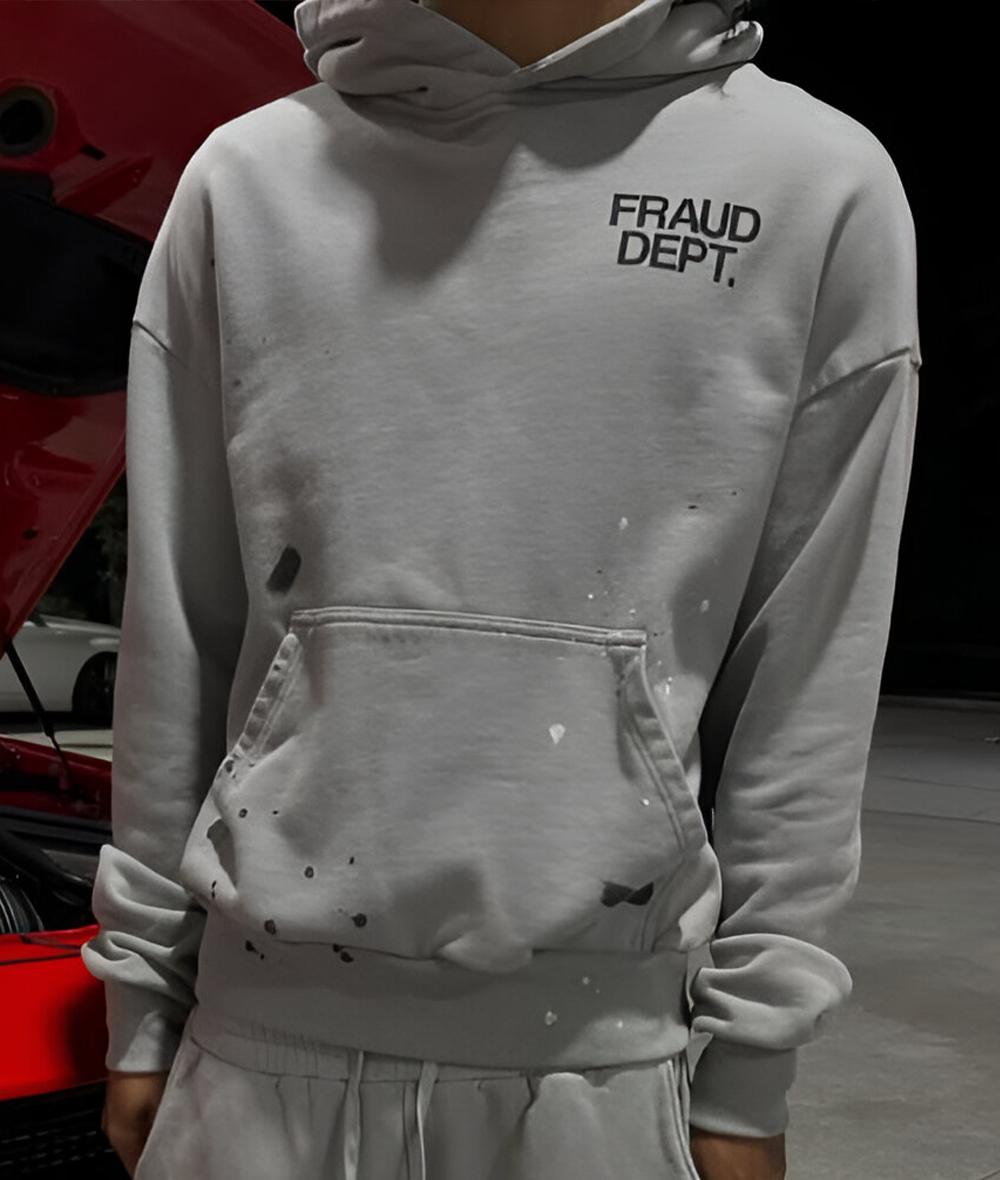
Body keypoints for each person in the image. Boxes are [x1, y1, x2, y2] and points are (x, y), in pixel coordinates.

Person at [83, 0, 921, 1177]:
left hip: (596, 1072)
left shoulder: (811, 182)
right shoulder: (248, 179)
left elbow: (808, 664)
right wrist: (142, 989)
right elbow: (180, 623)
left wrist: (750, 1066)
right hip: (248, 1058)